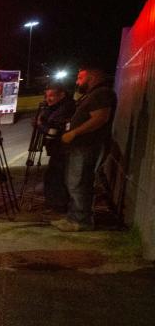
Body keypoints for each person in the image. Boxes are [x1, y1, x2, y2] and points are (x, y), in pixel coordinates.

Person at [54, 67, 117, 231]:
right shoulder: (92, 95)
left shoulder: (102, 93)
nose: (77, 81)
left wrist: (74, 132)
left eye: (81, 78)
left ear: (93, 76)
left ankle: (81, 221)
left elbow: (101, 118)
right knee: (74, 182)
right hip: (80, 146)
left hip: (87, 145)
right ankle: (73, 217)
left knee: (80, 183)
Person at [33, 84, 76, 214]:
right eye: (47, 96)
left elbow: (53, 132)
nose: (48, 99)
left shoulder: (65, 108)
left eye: (51, 95)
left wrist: (40, 125)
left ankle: (58, 206)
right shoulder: (57, 107)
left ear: (61, 95)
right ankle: (55, 204)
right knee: (53, 176)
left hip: (62, 149)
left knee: (56, 178)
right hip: (59, 149)